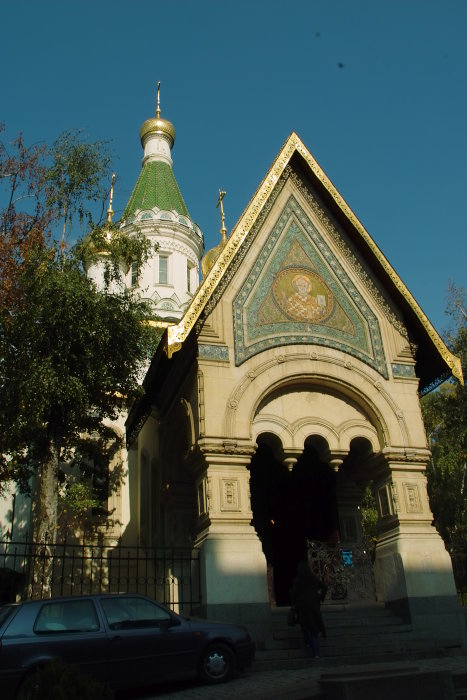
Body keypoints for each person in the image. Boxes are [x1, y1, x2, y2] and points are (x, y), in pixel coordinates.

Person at [291, 560, 327, 658]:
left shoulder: (298, 580)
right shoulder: (313, 579)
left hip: (302, 607)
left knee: (307, 627)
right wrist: (320, 598)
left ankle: (310, 646)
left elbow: (294, 594)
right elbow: (324, 587)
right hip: (313, 606)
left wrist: (294, 603)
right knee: (313, 629)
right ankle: (315, 652)